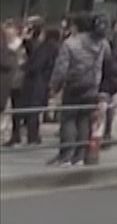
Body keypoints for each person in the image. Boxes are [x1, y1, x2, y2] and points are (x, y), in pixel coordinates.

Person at [49, 15, 108, 165]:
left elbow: (61, 69)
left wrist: (54, 86)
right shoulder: (101, 44)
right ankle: (79, 156)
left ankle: (66, 155)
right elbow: (101, 65)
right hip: (92, 86)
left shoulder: (70, 43)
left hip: (73, 85)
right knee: (84, 120)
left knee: (68, 119)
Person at [13, 18, 56, 146]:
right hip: (31, 81)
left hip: (37, 82)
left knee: (33, 110)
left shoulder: (47, 45)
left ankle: (33, 137)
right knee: (25, 109)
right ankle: (28, 136)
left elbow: (37, 64)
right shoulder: (34, 44)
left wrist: (25, 66)